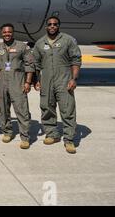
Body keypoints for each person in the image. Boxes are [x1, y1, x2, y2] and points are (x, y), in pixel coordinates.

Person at [33, 16, 82, 154]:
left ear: (58, 26)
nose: (52, 26)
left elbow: (76, 60)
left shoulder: (68, 40)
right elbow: (35, 63)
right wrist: (36, 80)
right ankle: (51, 134)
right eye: (50, 24)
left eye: (55, 24)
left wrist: (74, 79)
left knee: (68, 109)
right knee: (47, 107)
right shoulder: (40, 43)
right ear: (46, 26)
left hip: (64, 79)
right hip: (46, 80)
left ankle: (69, 140)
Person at [0, 24, 35, 149]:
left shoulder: (22, 47)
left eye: (9, 32)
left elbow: (30, 65)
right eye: (5, 32)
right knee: (3, 109)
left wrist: (28, 82)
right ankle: (7, 132)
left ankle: (25, 137)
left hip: (17, 81)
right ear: (2, 33)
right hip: (2, 82)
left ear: (13, 32)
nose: (7, 34)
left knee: (21, 109)